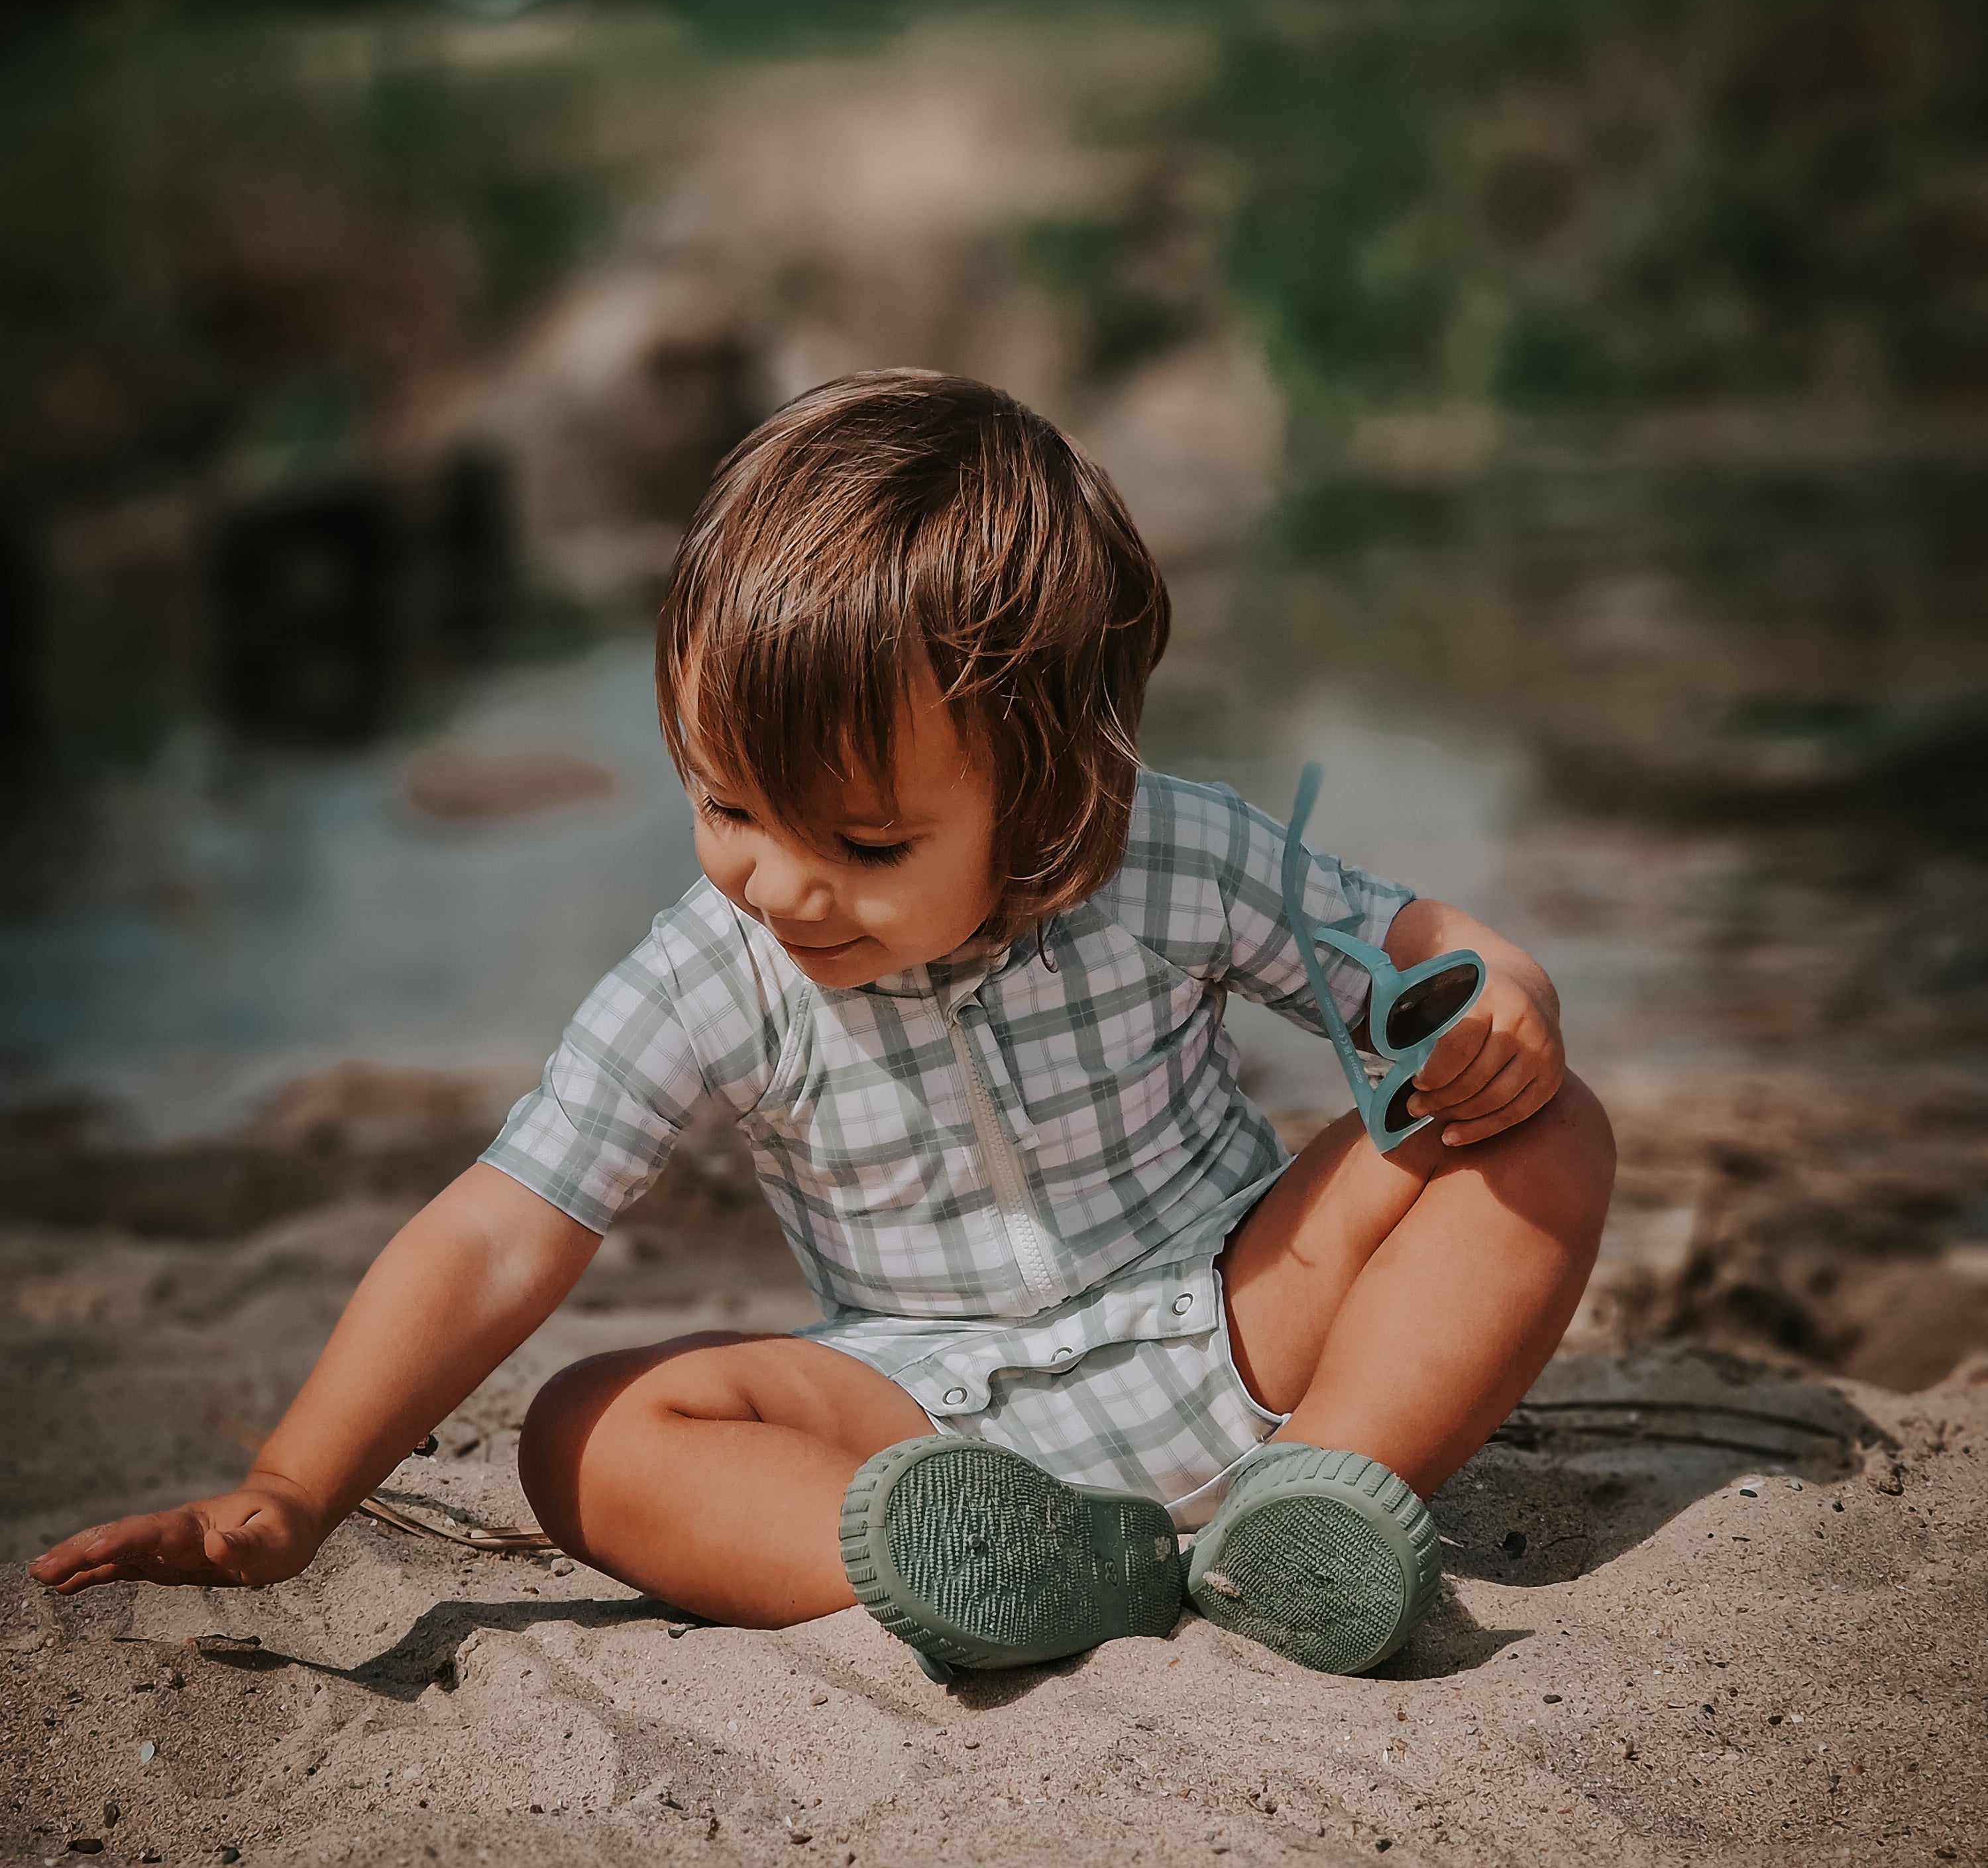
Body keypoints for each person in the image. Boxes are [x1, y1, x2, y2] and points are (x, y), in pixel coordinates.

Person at [32, 372, 1614, 1678]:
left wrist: (1504, 1004)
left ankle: (1315, 1496)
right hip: (926, 1421)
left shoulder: (1165, 854)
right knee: (587, 1431)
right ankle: (1026, 1573)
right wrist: (294, 1486)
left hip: (1247, 1311)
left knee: (1538, 1133)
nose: (782, 885)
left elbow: (1419, 950)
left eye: (865, 844)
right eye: (726, 802)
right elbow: (496, 1233)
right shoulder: (714, 970)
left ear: (1054, 784)